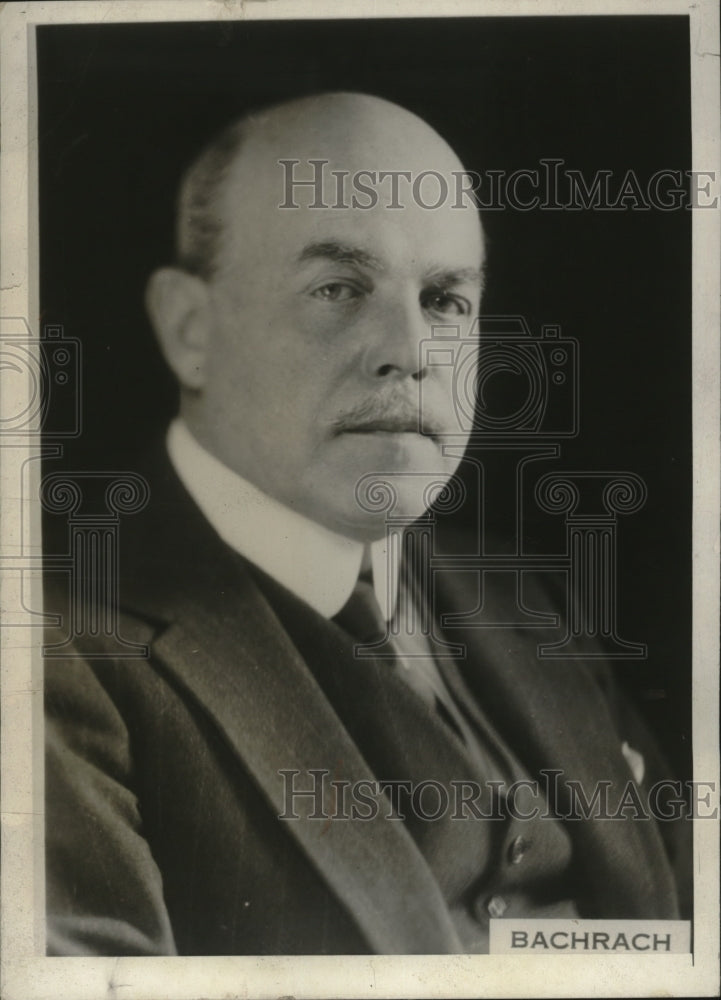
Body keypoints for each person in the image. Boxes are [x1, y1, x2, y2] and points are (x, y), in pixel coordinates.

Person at [44, 92, 690, 956]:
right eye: (338, 289)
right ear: (190, 330)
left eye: (444, 300)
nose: (411, 351)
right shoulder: (56, 649)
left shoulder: (524, 597)